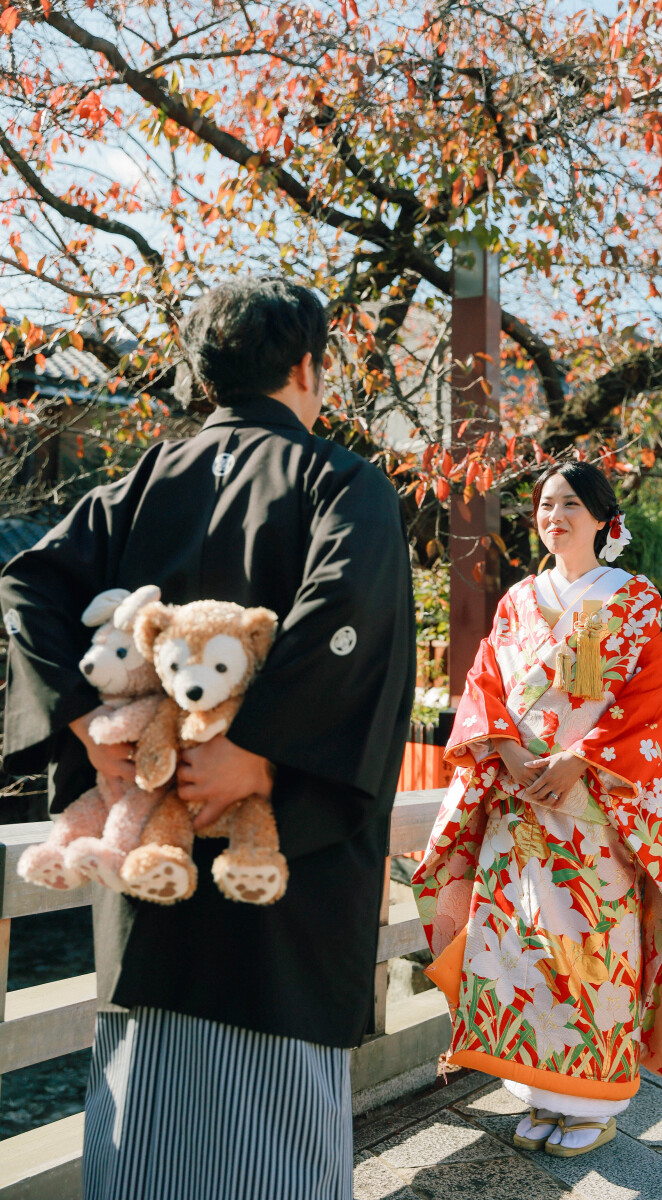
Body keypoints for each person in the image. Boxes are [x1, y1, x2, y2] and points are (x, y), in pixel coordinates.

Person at [1, 278, 416, 1200]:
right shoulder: (343, 486)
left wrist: (84, 716)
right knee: (274, 1139)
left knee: (141, 1119)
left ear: (204, 375)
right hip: (279, 876)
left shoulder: (142, 483)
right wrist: (259, 754)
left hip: (152, 839)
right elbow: (350, 622)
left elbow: (28, 582)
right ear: (308, 367)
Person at [413, 460, 662, 1158]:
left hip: (595, 807)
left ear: (604, 519)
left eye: (571, 503)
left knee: (592, 950)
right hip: (519, 810)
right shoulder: (518, 601)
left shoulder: (632, 597)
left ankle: (592, 1100)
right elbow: (485, 685)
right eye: (544, 504)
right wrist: (508, 754)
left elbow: (646, 699)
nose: (554, 515)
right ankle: (539, 1093)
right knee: (520, 949)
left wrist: (581, 758)